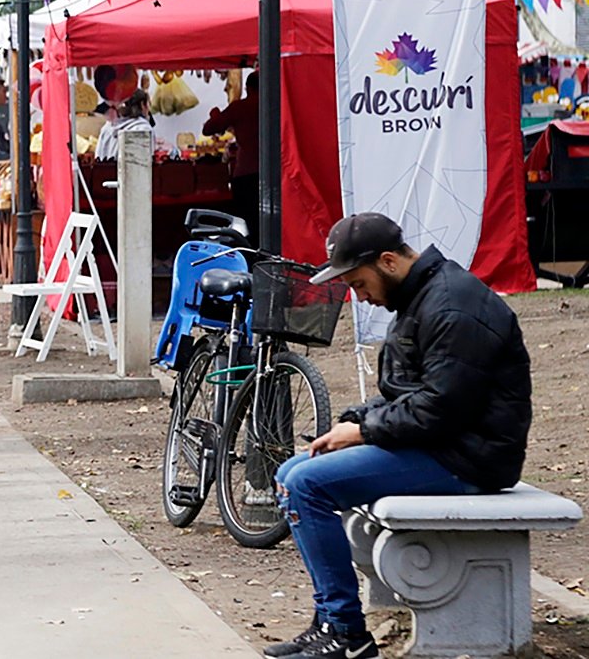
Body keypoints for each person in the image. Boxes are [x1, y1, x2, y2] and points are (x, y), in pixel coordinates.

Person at [261, 214, 532, 659]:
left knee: (305, 484)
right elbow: (409, 395)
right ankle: (331, 621)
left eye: (359, 282)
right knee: (293, 470)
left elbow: (441, 409)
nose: (359, 296)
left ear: (387, 261)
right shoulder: (422, 296)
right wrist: (353, 421)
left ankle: (346, 634)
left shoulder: (451, 305)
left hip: (469, 457)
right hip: (445, 444)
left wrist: (363, 431)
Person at [203, 72, 259, 244]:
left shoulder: (240, 107)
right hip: (274, 173)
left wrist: (215, 115)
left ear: (248, 88)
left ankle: (250, 256)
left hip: (246, 173)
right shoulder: (277, 105)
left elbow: (209, 129)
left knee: (247, 224)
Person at [94, 88, 154, 161]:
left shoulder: (107, 128)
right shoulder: (143, 129)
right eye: (148, 103)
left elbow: (97, 159)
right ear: (142, 104)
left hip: (105, 172)